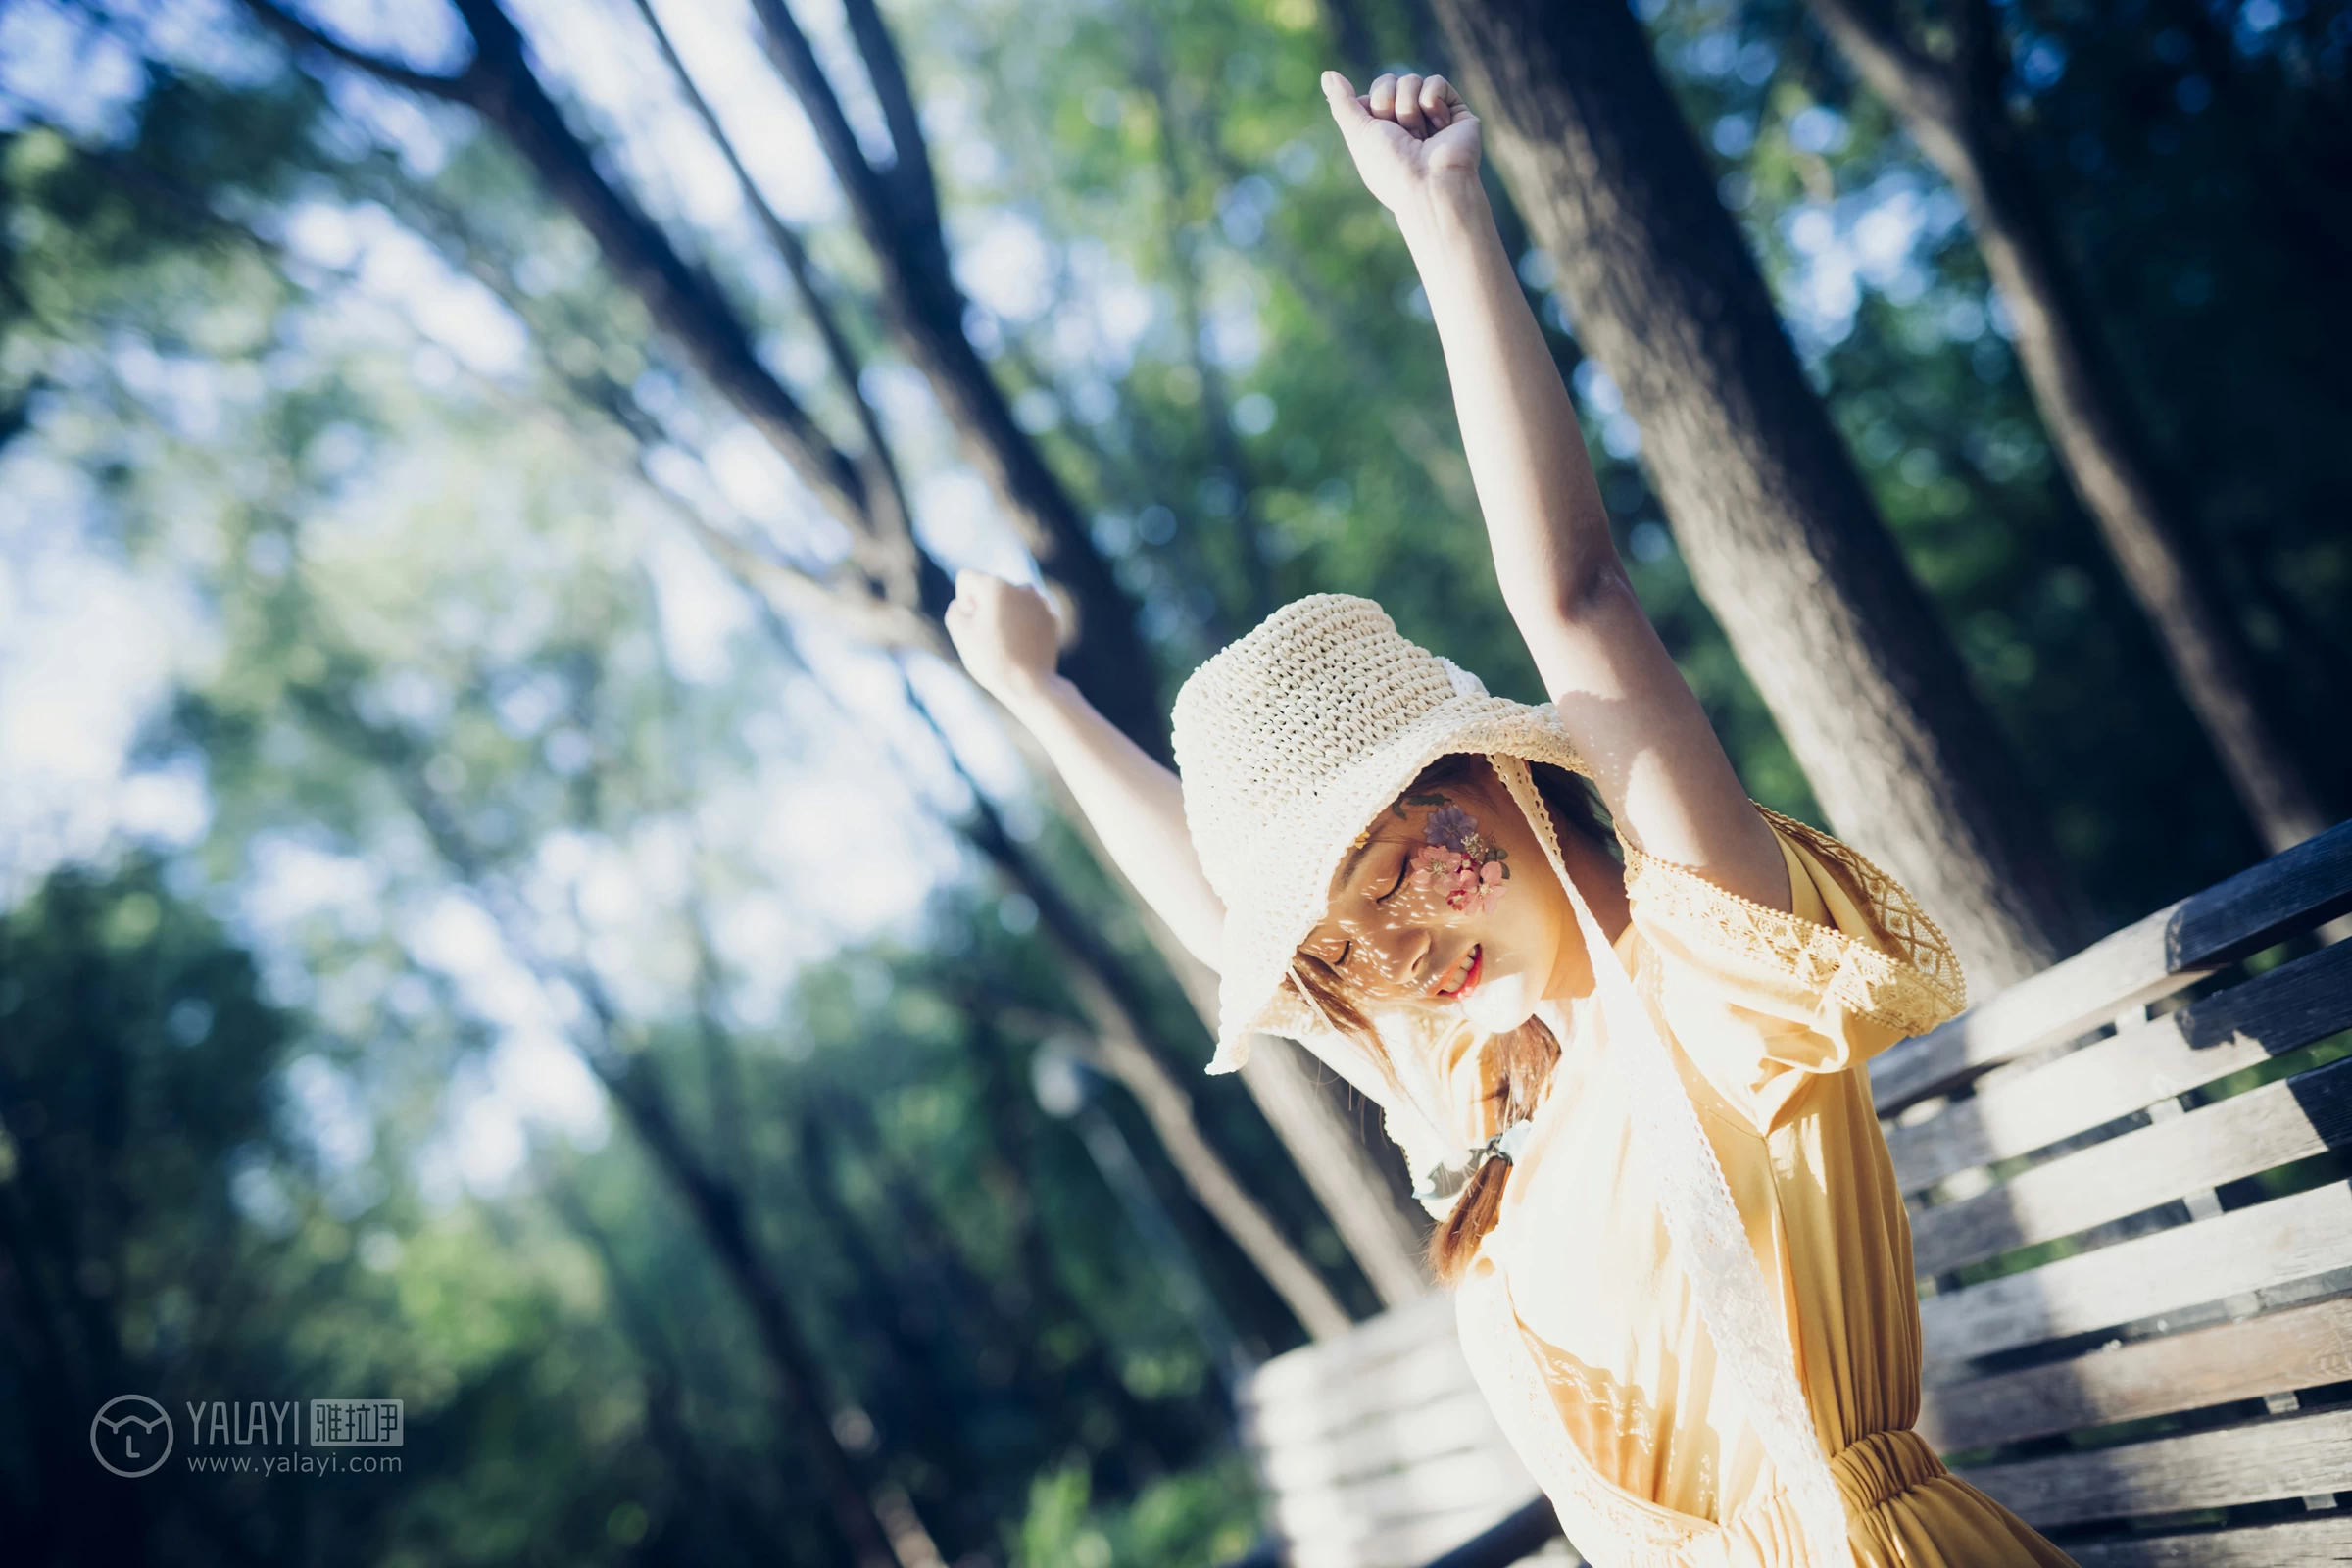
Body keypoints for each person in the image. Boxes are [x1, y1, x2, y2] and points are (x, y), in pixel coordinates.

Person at [945, 69, 2074, 1568]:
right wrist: (1040, 703)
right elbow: (1232, 925)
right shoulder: (1493, 1084)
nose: (1397, 965)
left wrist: (1443, 220)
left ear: (1482, 773)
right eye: (1346, 948)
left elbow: (1579, 599)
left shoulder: (1711, 972)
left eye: (1391, 879)